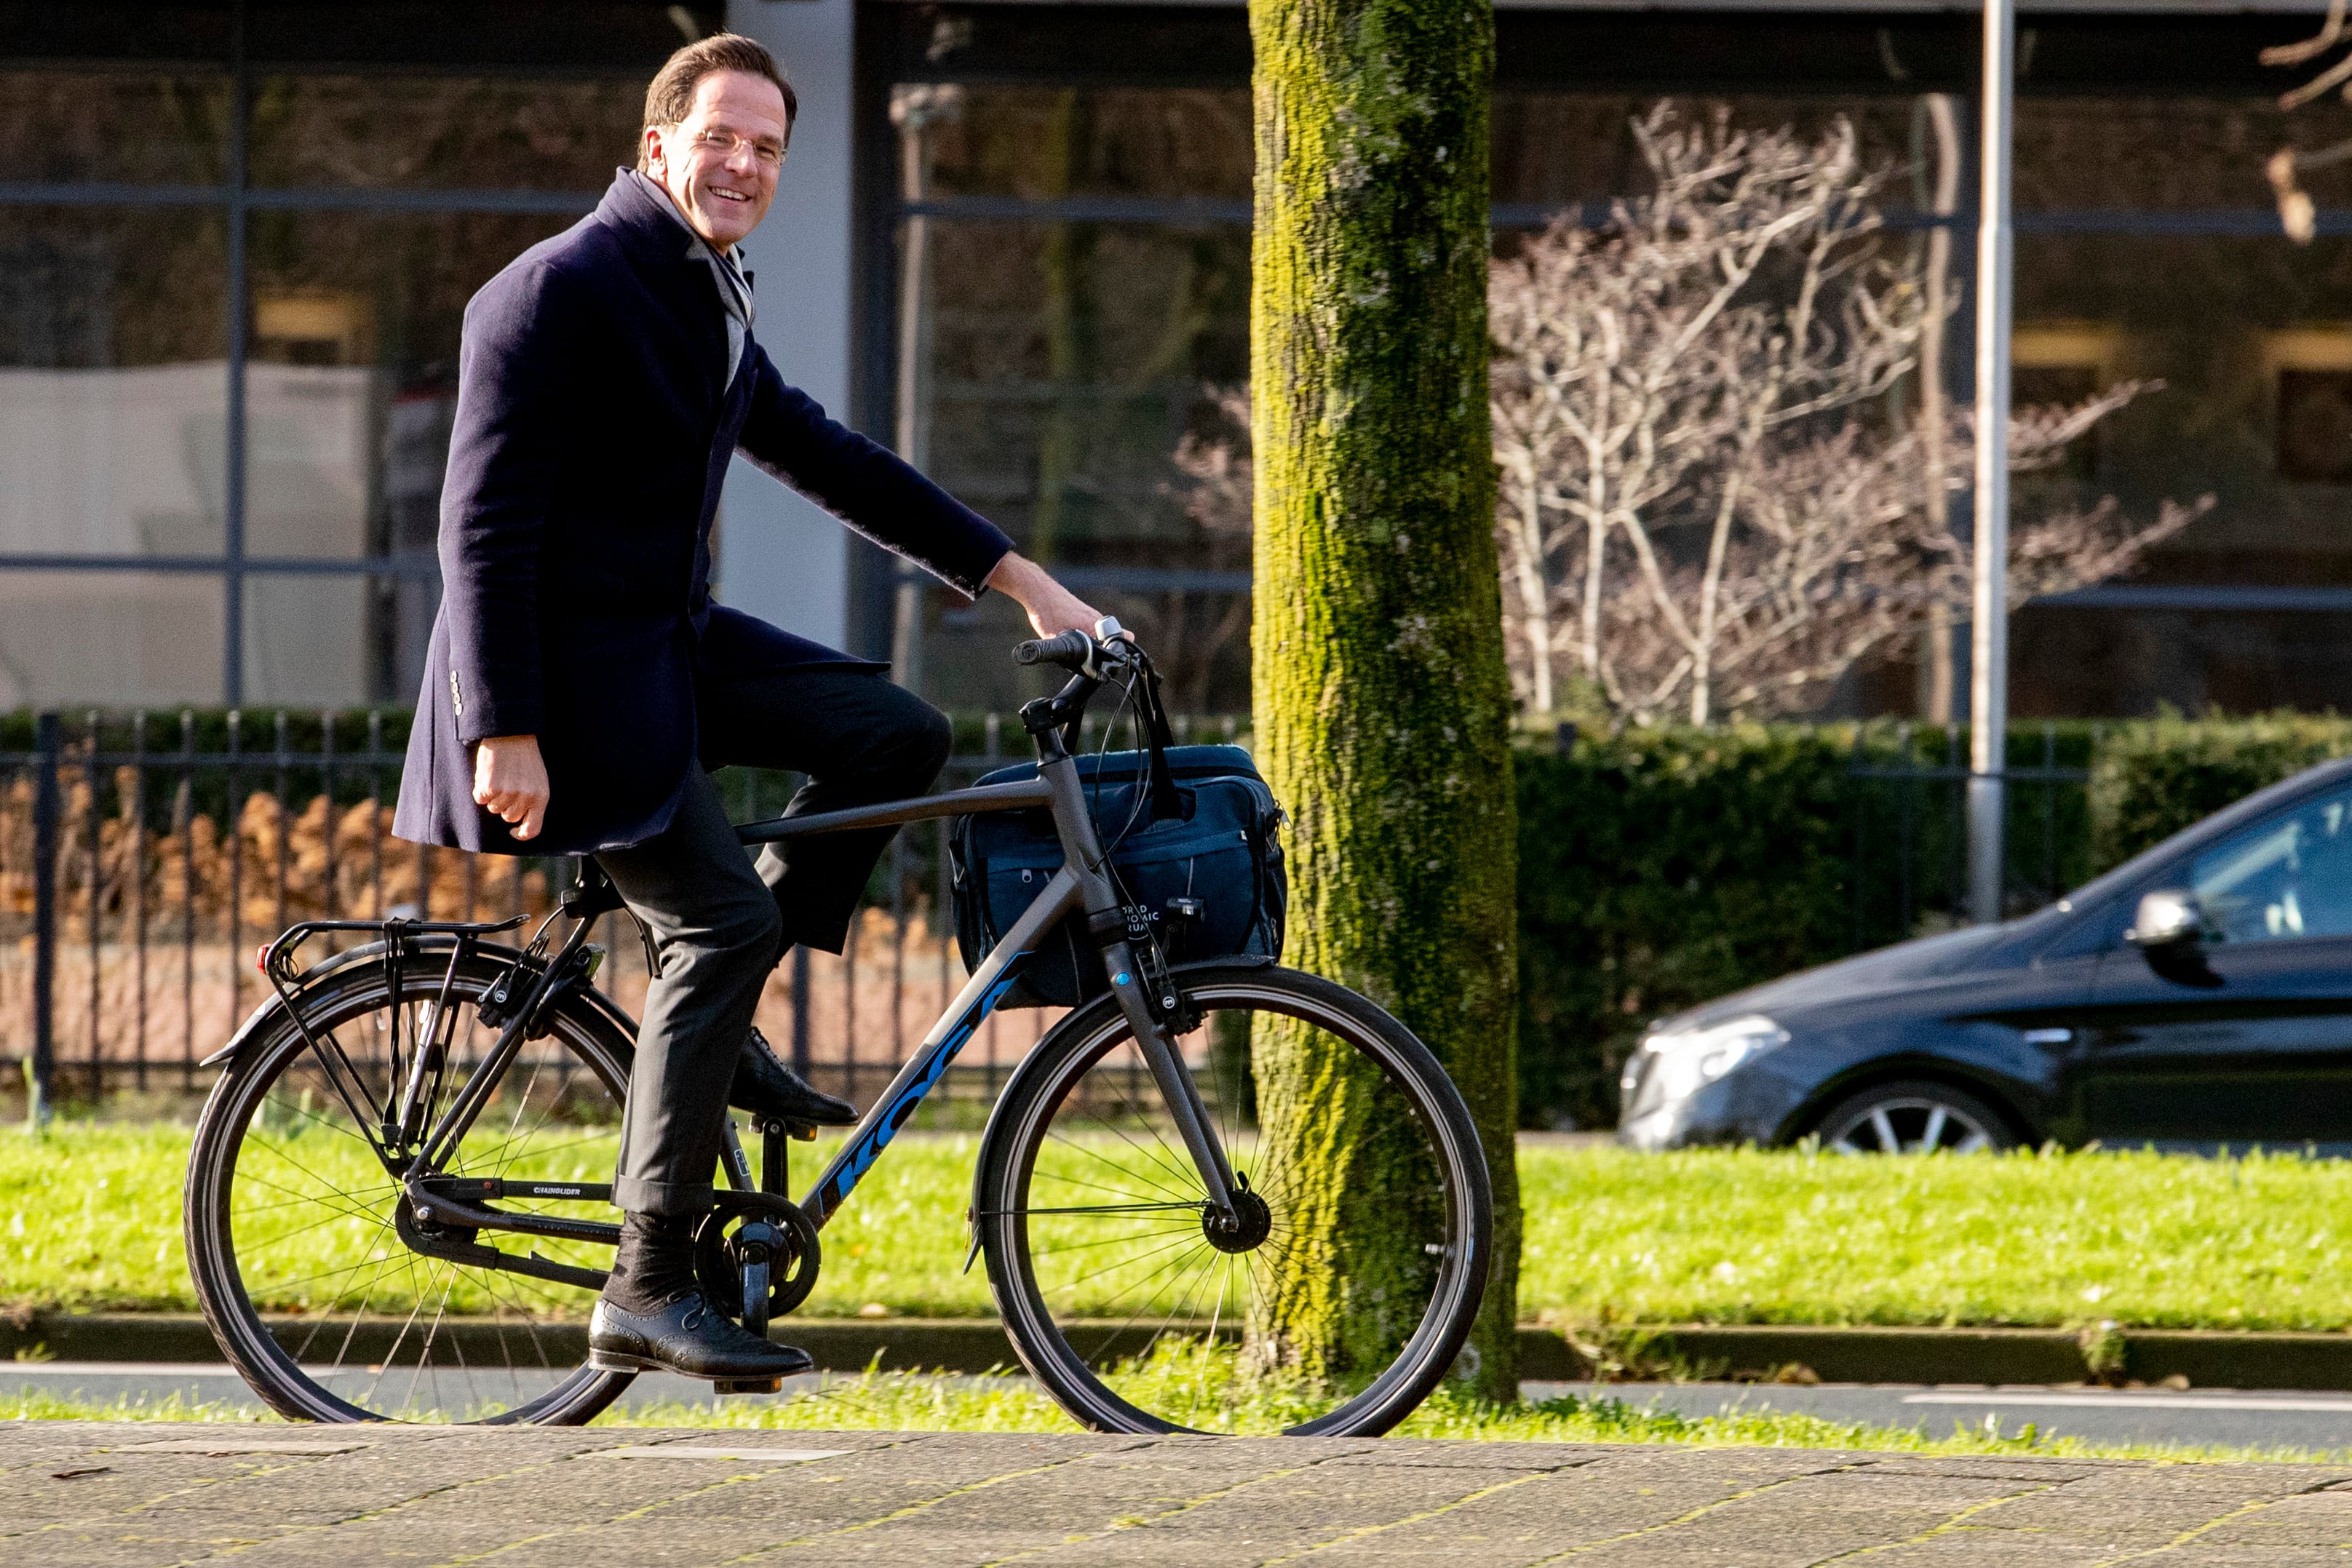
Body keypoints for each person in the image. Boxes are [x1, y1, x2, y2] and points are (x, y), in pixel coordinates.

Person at [392, 32, 1100, 1382]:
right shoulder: (553, 293)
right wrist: (503, 725)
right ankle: (648, 1285)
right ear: (658, 141)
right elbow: (476, 531)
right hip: (565, 685)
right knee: (718, 920)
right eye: (722, 137)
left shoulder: (705, 296)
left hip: (663, 647)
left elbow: (826, 455)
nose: (745, 166)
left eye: (768, 149)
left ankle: (724, 1025)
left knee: (895, 731)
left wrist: (1016, 577)